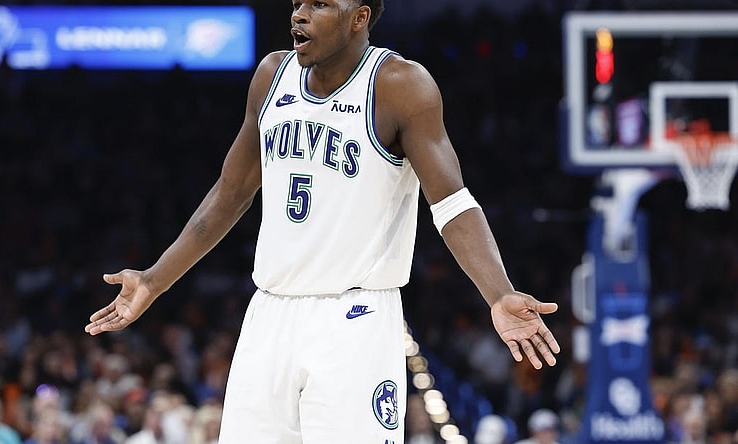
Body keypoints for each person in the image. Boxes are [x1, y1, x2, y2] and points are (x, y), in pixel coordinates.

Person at [85, 0, 561, 442]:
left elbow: (453, 204)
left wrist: (498, 292)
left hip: (354, 320)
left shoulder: (399, 85)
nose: (299, 16)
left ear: (360, 17)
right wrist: (154, 280)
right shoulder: (272, 74)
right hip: (269, 313)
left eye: (319, 5)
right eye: (296, 4)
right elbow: (230, 194)